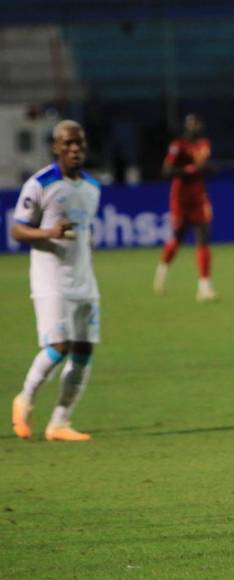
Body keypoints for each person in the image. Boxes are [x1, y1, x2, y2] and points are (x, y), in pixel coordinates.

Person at [10, 120, 100, 442]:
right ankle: (25, 399)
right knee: (59, 346)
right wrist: (48, 232)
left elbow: (85, 232)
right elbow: (17, 230)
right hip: (51, 279)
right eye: (68, 144)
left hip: (84, 278)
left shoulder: (93, 187)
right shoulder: (40, 183)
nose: (75, 149)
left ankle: (60, 422)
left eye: (79, 143)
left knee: (84, 350)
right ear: (55, 147)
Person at [153, 113, 218, 302]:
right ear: (186, 126)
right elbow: (166, 170)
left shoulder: (204, 144)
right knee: (177, 238)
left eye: (196, 123)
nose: (193, 127)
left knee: (203, 238)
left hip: (198, 196)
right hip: (180, 197)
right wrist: (188, 169)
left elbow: (204, 166)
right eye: (190, 124)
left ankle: (204, 288)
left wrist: (209, 168)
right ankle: (162, 271)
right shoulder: (178, 146)